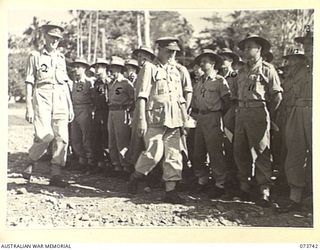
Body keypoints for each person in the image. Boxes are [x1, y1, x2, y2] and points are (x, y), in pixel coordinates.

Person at [127, 37, 189, 204]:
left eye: (174, 52)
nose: (171, 55)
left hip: (174, 119)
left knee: (173, 155)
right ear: (159, 49)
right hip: (154, 118)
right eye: (168, 51)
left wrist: (184, 118)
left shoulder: (175, 71)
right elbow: (141, 96)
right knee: (154, 154)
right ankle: (136, 176)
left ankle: (171, 191)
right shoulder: (149, 68)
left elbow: (180, 98)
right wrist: (140, 120)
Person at [233, 34, 283, 207]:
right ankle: (244, 187)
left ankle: (264, 190)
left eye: (249, 47)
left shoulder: (268, 69)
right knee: (240, 149)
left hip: (258, 111)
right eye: (244, 48)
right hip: (241, 111)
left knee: (261, 151)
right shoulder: (241, 71)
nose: (246, 51)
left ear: (259, 49)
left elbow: (277, 95)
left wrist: (269, 114)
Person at [23, 23, 74, 187]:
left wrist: (70, 105)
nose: (55, 41)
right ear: (44, 36)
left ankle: (55, 175)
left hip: (60, 97)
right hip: (42, 95)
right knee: (45, 135)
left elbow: (65, 83)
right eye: (52, 37)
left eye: (58, 38)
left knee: (62, 137)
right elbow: (30, 81)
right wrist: (29, 106)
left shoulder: (61, 58)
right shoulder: (35, 55)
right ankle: (31, 160)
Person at [191, 49, 231, 198]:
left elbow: (227, 101)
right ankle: (202, 180)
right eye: (201, 61)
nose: (202, 64)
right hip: (200, 117)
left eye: (205, 61)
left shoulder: (219, 80)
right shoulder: (200, 81)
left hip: (214, 117)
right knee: (198, 151)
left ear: (213, 63)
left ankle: (220, 183)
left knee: (215, 151)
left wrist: (220, 117)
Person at [277, 46, 312, 213]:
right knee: (295, 153)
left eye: (295, 58)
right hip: (296, 112)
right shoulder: (293, 74)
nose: (292, 62)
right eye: (290, 59)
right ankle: (295, 198)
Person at [218, 47, 241, 197]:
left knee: (235, 148)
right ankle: (224, 182)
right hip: (220, 115)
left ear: (231, 61)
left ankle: (237, 183)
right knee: (222, 148)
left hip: (233, 114)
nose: (222, 63)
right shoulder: (218, 77)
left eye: (224, 59)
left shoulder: (236, 76)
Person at [107, 56, 135, 177]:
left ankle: (126, 167)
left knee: (122, 141)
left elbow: (133, 99)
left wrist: (129, 113)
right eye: (111, 69)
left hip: (121, 112)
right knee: (112, 140)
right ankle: (116, 166)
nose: (111, 71)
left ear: (119, 70)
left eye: (114, 69)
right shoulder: (111, 83)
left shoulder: (126, 83)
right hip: (111, 111)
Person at [69, 58, 95, 174]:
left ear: (84, 68)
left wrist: (91, 111)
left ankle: (90, 162)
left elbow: (94, 97)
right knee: (75, 137)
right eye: (75, 66)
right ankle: (82, 160)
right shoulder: (73, 82)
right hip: (75, 109)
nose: (76, 69)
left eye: (78, 67)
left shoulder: (89, 82)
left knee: (87, 137)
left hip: (85, 109)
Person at [91, 58, 112, 173]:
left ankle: (109, 164)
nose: (97, 69)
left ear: (104, 68)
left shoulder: (108, 82)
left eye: (99, 67)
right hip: (98, 111)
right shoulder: (96, 83)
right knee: (97, 137)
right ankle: (100, 164)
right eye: (96, 67)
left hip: (106, 111)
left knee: (106, 138)